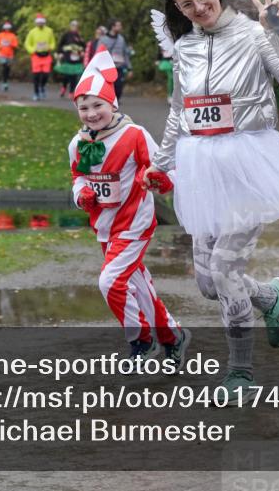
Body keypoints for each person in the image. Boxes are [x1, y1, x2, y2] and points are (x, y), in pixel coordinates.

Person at [142, 0, 279, 404]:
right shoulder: (185, 47)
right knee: (209, 284)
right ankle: (270, 297)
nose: (198, 7)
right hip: (200, 168)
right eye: (187, 4)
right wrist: (160, 162)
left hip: (248, 164)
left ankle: (240, 373)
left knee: (225, 271)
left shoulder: (255, 34)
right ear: (179, 9)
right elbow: (179, 111)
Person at [69, 46, 190, 366]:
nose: (91, 113)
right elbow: (77, 177)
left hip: (135, 223)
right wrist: (82, 195)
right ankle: (172, 336)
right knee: (137, 285)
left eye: (98, 105)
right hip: (103, 226)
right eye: (84, 107)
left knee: (110, 282)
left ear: (113, 104)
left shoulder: (134, 135)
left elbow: (165, 169)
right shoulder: (77, 143)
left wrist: (160, 181)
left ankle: (141, 340)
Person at [97, 19, 133, 102]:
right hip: (107, 67)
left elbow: (125, 54)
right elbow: (98, 54)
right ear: (113, 27)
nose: (121, 27)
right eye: (118, 25)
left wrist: (129, 68)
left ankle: (115, 100)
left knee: (119, 86)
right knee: (108, 86)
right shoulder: (103, 39)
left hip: (119, 67)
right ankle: (110, 101)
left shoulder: (121, 39)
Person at [25, 13, 56, 100]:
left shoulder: (49, 31)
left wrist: (50, 47)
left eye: (41, 23)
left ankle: (42, 86)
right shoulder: (32, 32)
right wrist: (33, 49)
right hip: (36, 56)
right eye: (38, 23)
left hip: (46, 55)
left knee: (46, 74)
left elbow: (53, 42)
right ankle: (36, 93)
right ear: (36, 23)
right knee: (36, 75)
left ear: (44, 23)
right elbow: (27, 43)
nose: (40, 24)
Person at [55, 19, 86, 97]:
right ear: (70, 26)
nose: (75, 27)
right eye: (73, 26)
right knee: (66, 75)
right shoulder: (66, 35)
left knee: (74, 76)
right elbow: (60, 45)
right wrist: (59, 53)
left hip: (76, 59)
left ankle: (71, 92)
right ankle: (64, 87)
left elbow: (83, 46)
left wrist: (82, 51)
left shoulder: (80, 36)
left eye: (76, 26)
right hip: (67, 58)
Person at [0, 20, 18, 92]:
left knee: (8, 68)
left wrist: (11, 44)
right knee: (4, 66)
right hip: (1, 54)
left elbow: (16, 44)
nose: (7, 29)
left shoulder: (12, 36)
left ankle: (6, 81)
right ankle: (4, 82)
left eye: (8, 28)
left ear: (10, 28)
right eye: (6, 28)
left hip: (10, 54)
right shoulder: (0, 35)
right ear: (4, 28)